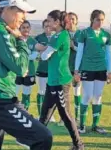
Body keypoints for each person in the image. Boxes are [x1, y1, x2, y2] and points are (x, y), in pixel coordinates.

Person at [0, 0, 52, 150]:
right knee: (43, 137)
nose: (24, 16)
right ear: (7, 9)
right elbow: (22, 68)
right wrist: (22, 40)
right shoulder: (0, 32)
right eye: (21, 11)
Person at [38, 10, 84, 150]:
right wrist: (43, 50)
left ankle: (78, 145)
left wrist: (39, 49)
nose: (48, 23)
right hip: (53, 81)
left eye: (49, 20)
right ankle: (36, 141)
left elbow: (45, 56)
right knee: (44, 114)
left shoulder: (60, 36)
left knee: (66, 115)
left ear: (57, 22)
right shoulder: (56, 35)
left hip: (60, 82)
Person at [74, 10, 111, 134]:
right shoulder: (84, 33)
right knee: (87, 96)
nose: (100, 22)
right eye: (98, 20)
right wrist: (76, 70)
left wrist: (109, 71)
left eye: (102, 20)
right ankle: (82, 125)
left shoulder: (106, 34)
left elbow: (108, 54)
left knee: (98, 97)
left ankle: (95, 125)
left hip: (101, 69)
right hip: (87, 68)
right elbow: (79, 52)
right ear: (92, 19)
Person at [58, 12, 82, 126]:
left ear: (76, 21)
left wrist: (74, 46)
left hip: (77, 69)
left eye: (73, 19)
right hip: (64, 69)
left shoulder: (81, 34)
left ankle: (77, 117)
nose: (71, 21)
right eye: (69, 19)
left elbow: (84, 51)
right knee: (64, 95)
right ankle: (64, 118)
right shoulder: (63, 34)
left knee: (77, 93)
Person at [34, 19, 56, 122]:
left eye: (49, 26)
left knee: (52, 93)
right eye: (45, 26)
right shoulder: (38, 38)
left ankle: (50, 115)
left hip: (53, 70)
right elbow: (35, 51)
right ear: (43, 27)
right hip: (42, 69)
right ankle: (40, 114)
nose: (48, 28)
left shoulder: (57, 37)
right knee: (42, 92)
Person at [15, 20, 38, 110]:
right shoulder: (16, 40)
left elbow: (33, 56)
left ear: (30, 29)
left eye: (27, 27)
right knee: (14, 93)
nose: (25, 29)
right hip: (17, 71)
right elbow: (15, 55)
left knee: (26, 93)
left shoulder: (33, 41)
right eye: (23, 27)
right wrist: (27, 53)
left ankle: (25, 112)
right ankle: (14, 112)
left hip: (30, 71)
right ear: (19, 29)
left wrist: (23, 54)